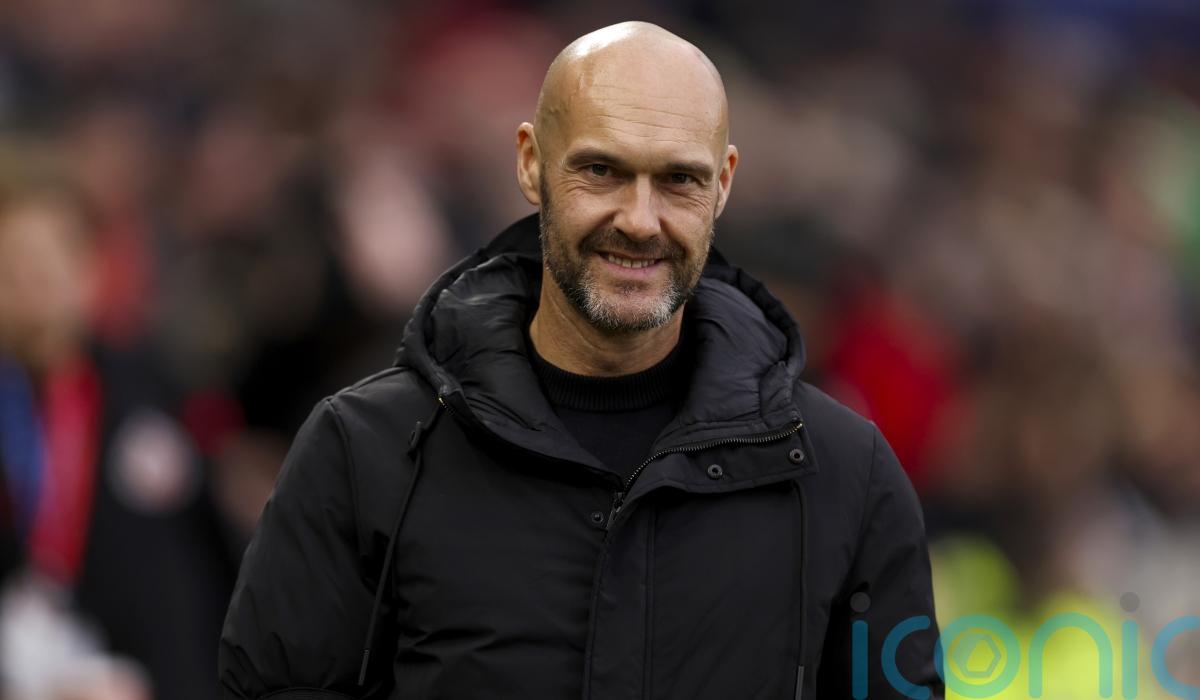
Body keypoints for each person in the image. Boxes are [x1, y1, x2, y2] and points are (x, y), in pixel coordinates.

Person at [220, 21, 943, 700]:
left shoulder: (846, 476)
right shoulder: (363, 451)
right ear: (531, 164)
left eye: (679, 180)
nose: (640, 219)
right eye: (601, 170)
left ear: (723, 184)